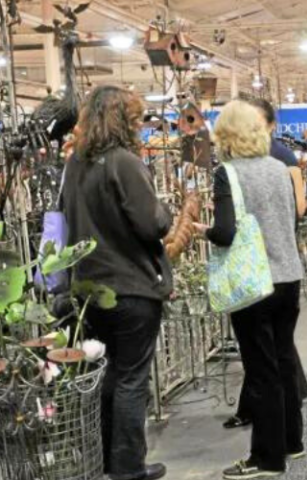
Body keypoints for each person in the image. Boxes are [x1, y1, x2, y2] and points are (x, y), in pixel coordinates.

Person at [62, 85, 171, 480]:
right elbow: (151, 223)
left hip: (91, 289)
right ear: (122, 121)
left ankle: (108, 461)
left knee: (109, 375)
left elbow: (63, 219)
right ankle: (128, 468)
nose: (140, 126)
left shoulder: (75, 164)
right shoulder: (123, 162)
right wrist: (167, 211)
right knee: (130, 379)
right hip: (131, 287)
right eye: (136, 119)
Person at [194, 100, 306, 479]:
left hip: (253, 282)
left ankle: (267, 458)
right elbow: (292, 218)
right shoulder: (280, 167)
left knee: (261, 371)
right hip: (289, 275)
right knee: (285, 360)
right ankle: (292, 441)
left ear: (226, 135)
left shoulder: (228, 173)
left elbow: (225, 232)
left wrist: (201, 231)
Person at [250, 98, 298, 167]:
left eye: (257, 124)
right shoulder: (239, 155)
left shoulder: (284, 155)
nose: (252, 127)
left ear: (272, 125)